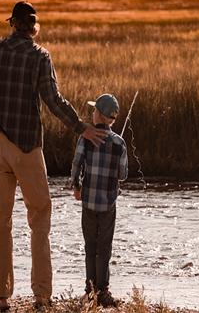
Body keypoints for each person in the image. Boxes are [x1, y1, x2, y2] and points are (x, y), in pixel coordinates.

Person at [0, 1, 106, 312]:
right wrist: (82, 128)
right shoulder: (40, 56)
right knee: (40, 218)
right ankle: (41, 297)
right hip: (28, 149)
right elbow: (53, 100)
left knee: (0, 221)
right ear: (34, 28)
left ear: (12, 23)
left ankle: (1, 297)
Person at [70, 93, 128, 307]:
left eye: (94, 110)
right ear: (111, 120)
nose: (92, 113)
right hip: (108, 204)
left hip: (88, 203)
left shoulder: (85, 137)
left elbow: (77, 164)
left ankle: (90, 289)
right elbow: (123, 174)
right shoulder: (119, 143)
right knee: (104, 248)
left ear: (100, 115)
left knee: (90, 246)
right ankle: (103, 290)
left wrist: (76, 187)